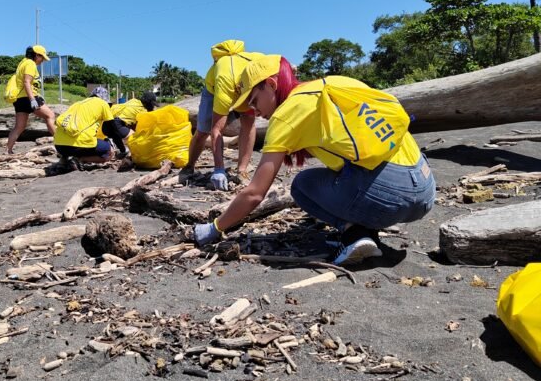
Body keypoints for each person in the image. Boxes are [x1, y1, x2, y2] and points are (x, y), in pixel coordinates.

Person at [193, 54, 436, 266]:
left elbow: (255, 193)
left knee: (302, 186)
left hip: (394, 196)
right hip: (425, 187)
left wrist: (215, 228)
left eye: (253, 100)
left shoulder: (287, 115)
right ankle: (360, 229)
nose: (253, 111)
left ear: (270, 84)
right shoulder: (334, 83)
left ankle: (353, 234)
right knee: (343, 171)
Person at [179, 40, 263, 190]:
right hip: (214, 90)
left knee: (249, 122)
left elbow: (280, 63)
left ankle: (242, 170)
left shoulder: (259, 67)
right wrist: (219, 169)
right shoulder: (225, 81)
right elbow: (217, 130)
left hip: (244, 86)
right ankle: (189, 166)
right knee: (203, 130)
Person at [54, 87, 130, 165]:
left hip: (59, 146)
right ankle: (78, 160)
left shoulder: (77, 103)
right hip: (78, 145)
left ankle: (65, 159)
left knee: (83, 140)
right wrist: (123, 150)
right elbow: (113, 129)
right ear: (104, 99)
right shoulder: (103, 103)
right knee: (109, 152)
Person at [6, 45, 56, 154]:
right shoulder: (30, 64)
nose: (42, 60)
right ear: (36, 55)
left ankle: (8, 150)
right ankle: (62, 144)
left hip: (19, 99)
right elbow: (27, 82)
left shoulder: (23, 62)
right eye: (42, 57)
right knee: (50, 116)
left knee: (19, 126)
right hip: (29, 97)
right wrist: (33, 99)